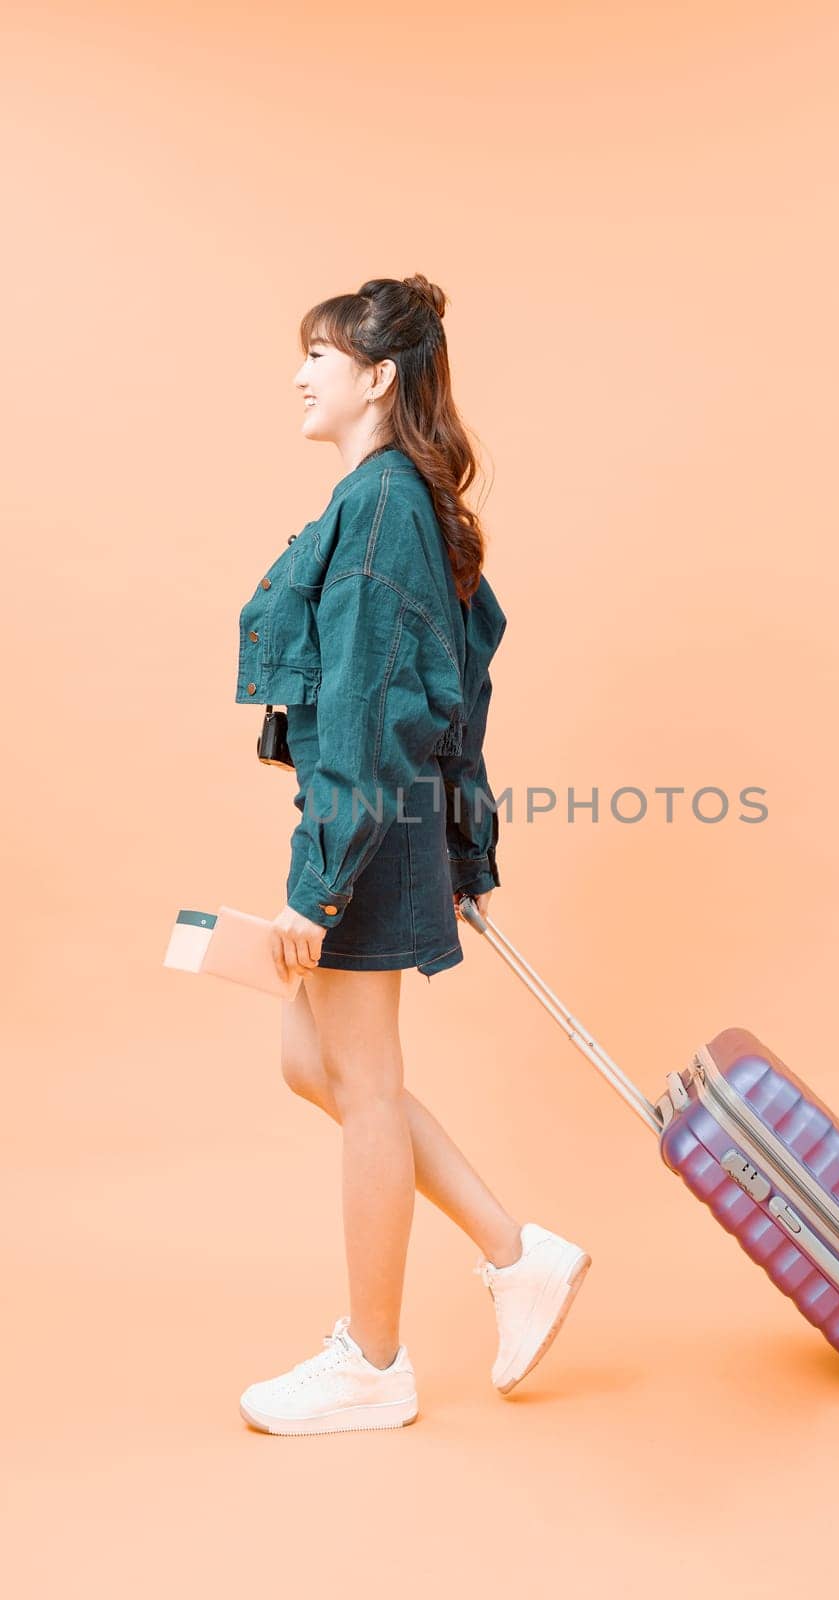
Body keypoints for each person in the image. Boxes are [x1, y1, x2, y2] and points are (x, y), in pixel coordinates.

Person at [233, 275, 591, 1435]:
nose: (299, 374)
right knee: (317, 1064)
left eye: (320, 357)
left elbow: (381, 698)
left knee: (366, 1083)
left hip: (366, 822)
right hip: (364, 820)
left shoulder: (384, 503)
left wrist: (331, 876)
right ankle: (515, 1251)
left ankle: (373, 1362)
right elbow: (433, 681)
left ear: (377, 378)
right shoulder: (382, 499)